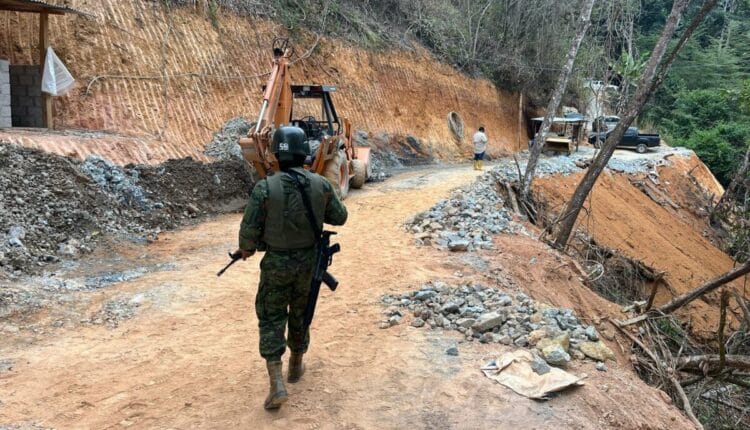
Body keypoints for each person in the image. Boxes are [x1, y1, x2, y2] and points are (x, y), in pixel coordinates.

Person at [235, 126, 348, 410]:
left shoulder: (265, 187)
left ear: (275, 153)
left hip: (276, 265)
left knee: (272, 317)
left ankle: (276, 384)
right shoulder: (320, 184)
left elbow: (248, 232)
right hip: (309, 263)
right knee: (301, 311)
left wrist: (246, 250)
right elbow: (340, 216)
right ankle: (296, 365)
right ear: (303, 152)